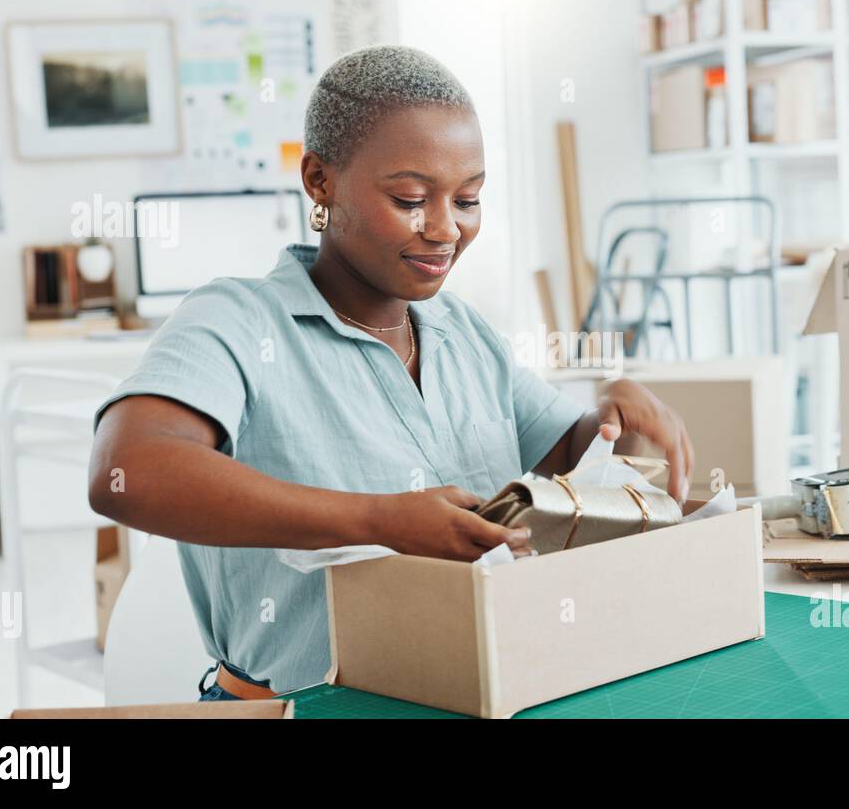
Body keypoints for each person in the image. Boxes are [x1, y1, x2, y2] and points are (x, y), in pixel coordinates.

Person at [89, 46, 695, 701]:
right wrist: (378, 521)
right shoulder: (239, 319)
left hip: (483, 690)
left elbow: (566, 456)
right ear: (320, 181)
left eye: (468, 199)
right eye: (410, 197)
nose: (445, 229)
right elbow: (127, 471)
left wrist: (614, 417)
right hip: (303, 709)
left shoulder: (463, 331)